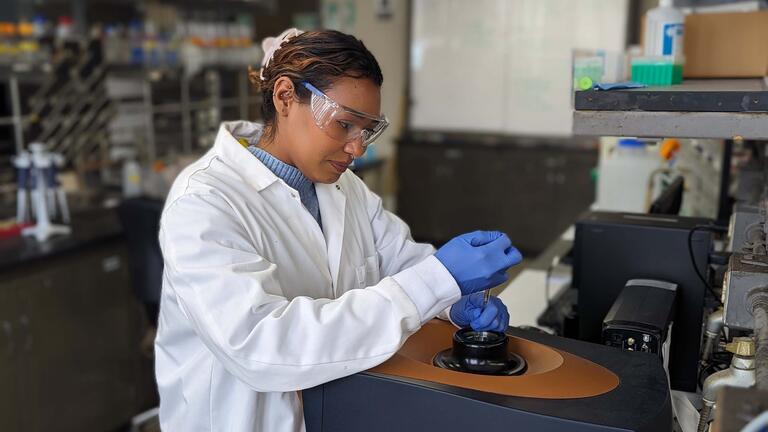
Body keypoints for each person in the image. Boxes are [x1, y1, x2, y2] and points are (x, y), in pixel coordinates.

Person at [155, 28, 522, 432]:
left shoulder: (345, 188)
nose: (358, 148)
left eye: (367, 130)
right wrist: (437, 279)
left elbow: (399, 261)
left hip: (339, 411)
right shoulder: (204, 202)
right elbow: (259, 346)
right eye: (344, 123)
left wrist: (453, 300)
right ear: (284, 97)